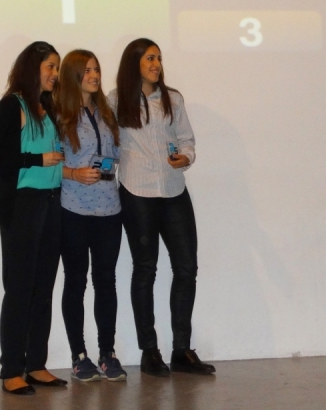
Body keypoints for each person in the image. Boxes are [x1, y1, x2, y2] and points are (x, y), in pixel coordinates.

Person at [109, 39, 215, 377]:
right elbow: (106, 142)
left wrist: (186, 157)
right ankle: (149, 351)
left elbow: (186, 139)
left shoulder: (173, 98)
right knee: (145, 269)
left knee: (186, 268)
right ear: (134, 63)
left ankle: (181, 350)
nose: (156, 64)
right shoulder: (115, 101)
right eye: (150, 58)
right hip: (137, 191)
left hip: (173, 190)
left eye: (158, 58)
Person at [0, 41, 66, 395]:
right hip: (23, 205)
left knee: (43, 287)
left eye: (57, 67)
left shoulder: (49, 106)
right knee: (19, 288)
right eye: (50, 67)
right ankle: (12, 369)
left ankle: (36, 364)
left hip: (52, 201)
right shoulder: (11, 106)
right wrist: (35, 160)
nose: (55, 74)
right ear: (33, 69)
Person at [55, 50, 126, 382]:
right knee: (75, 281)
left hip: (110, 209)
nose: (94, 75)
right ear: (72, 76)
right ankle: (78, 355)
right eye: (86, 71)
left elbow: (118, 153)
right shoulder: (59, 115)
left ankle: (107, 353)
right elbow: (50, 164)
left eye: (96, 69)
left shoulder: (107, 112)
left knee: (106, 281)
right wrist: (73, 173)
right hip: (74, 209)